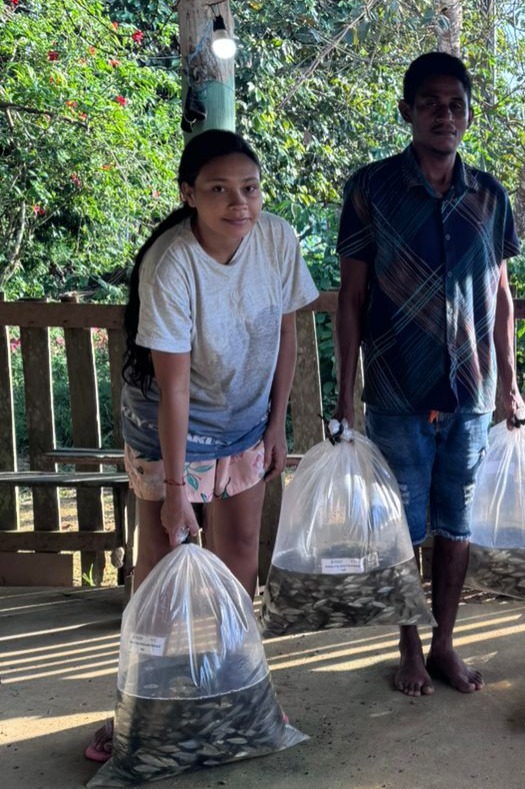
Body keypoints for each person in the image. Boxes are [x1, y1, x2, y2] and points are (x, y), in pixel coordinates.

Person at [86, 128, 318, 762]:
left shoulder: (277, 239)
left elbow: (288, 335)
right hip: (169, 424)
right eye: (219, 190)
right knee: (163, 561)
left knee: (239, 551)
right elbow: (174, 385)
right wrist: (174, 488)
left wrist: (276, 425)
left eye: (250, 188)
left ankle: (232, 690)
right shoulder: (172, 263)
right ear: (189, 194)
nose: (239, 203)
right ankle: (142, 704)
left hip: (245, 418)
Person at [334, 51, 525, 698]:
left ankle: (444, 643)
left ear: (468, 115)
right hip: (396, 391)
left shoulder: (489, 197)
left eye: (455, 105)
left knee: (456, 525)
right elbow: (351, 298)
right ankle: (409, 648)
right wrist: (343, 396)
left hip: (470, 392)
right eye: (431, 104)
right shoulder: (371, 191)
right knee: (403, 529)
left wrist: (511, 384)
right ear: (407, 112)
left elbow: (501, 296)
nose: (445, 115)